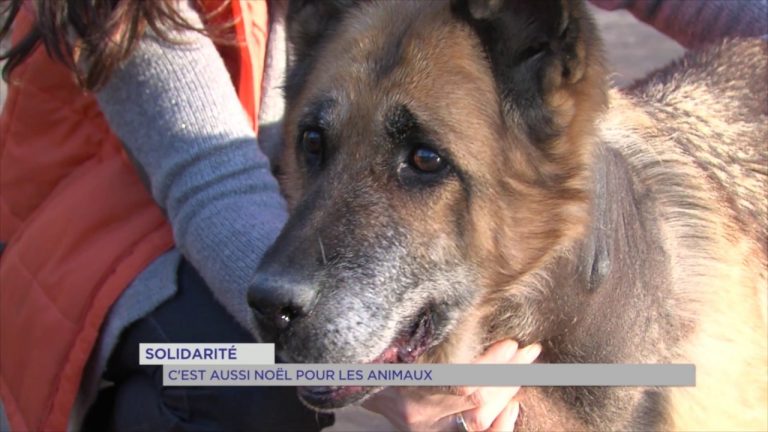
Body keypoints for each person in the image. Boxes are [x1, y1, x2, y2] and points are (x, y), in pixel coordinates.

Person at [0, 1, 765, 432]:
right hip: (116, 234)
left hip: (316, 172)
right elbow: (210, 179)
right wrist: (376, 377)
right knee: (242, 379)